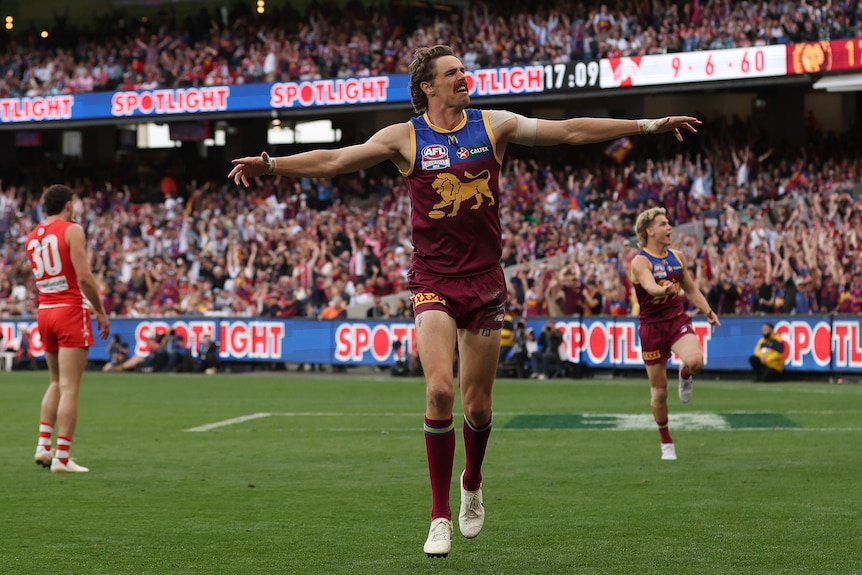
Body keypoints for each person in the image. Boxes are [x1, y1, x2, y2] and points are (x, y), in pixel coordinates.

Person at [229, 44, 700, 557]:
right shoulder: (404, 137)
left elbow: (568, 131)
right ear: (427, 86)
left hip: (485, 284)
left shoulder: (493, 125)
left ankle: (471, 482)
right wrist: (272, 164)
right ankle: (438, 516)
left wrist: (647, 126)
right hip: (433, 280)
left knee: (477, 404)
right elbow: (337, 160)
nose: (463, 78)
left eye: (463, 70)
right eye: (451, 73)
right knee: (438, 394)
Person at [25, 184, 110, 473]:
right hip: (70, 310)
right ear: (69, 205)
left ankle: (42, 446)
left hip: (44, 311)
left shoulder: (32, 236)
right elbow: (84, 277)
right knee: (70, 387)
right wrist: (99, 311)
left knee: (54, 381)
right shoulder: (72, 230)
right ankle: (62, 457)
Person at [629, 207, 719, 461]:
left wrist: (707, 310)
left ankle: (685, 373)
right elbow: (647, 285)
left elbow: (690, 289)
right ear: (650, 231)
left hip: (676, 319)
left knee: (696, 361)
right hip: (651, 327)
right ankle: (666, 440)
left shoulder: (677, 257)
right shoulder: (640, 261)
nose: (670, 228)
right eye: (664, 224)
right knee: (659, 392)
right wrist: (661, 290)